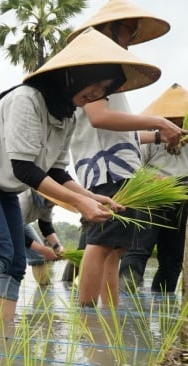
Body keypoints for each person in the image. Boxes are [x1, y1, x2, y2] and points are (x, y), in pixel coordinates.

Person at [0, 27, 160, 328]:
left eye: (103, 91)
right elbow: (25, 169)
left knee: (17, 263)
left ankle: (1, 335)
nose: (96, 95)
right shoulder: (27, 99)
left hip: (4, 187)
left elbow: (57, 171)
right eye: (94, 86)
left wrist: (90, 196)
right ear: (74, 76)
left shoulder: (68, 115)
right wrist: (78, 204)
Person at [63, 0, 185, 308]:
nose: (131, 39)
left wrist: (159, 134)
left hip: (120, 169)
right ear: (109, 29)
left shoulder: (110, 73)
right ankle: (89, 316)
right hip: (107, 170)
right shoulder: (95, 67)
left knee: (115, 249)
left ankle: (111, 316)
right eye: (129, 31)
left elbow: (123, 132)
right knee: (101, 244)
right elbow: (99, 118)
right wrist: (157, 121)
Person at [119, 83, 188, 293]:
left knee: (172, 259)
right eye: (170, 120)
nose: (175, 124)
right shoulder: (151, 139)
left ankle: (162, 306)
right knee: (139, 251)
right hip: (152, 199)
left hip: (181, 201)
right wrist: (155, 179)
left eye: (179, 120)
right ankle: (126, 305)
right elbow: (135, 169)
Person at [19, 189, 65, 287]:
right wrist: (43, 250)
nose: (57, 205)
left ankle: (45, 289)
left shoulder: (48, 203)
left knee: (39, 255)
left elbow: (45, 226)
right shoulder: (24, 199)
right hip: (4, 223)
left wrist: (58, 246)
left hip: (20, 224)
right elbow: (16, 232)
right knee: (6, 257)